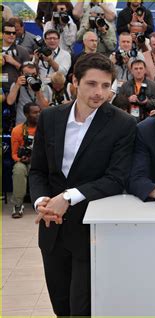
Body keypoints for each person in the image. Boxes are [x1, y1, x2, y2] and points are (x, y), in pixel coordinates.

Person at [29, 53, 136, 316]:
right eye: (91, 84)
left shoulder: (123, 124)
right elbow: (38, 171)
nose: (99, 92)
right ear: (74, 81)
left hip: (92, 234)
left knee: (83, 309)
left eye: (105, 85)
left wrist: (66, 198)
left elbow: (116, 178)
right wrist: (42, 202)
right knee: (61, 308)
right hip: (51, 230)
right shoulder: (50, 118)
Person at [10, 102, 41, 218]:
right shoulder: (17, 130)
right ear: (26, 114)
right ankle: (17, 205)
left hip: (41, 162)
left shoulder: (45, 129)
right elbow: (14, 154)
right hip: (24, 162)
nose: (38, 115)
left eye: (39, 112)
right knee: (18, 169)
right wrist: (21, 159)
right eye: (34, 112)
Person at [1, 21, 30, 93]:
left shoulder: (23, 51)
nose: (11, 35)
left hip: (17, 91)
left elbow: (29, 72)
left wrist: (14, 62)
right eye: (8, 33)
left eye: (14, 33)